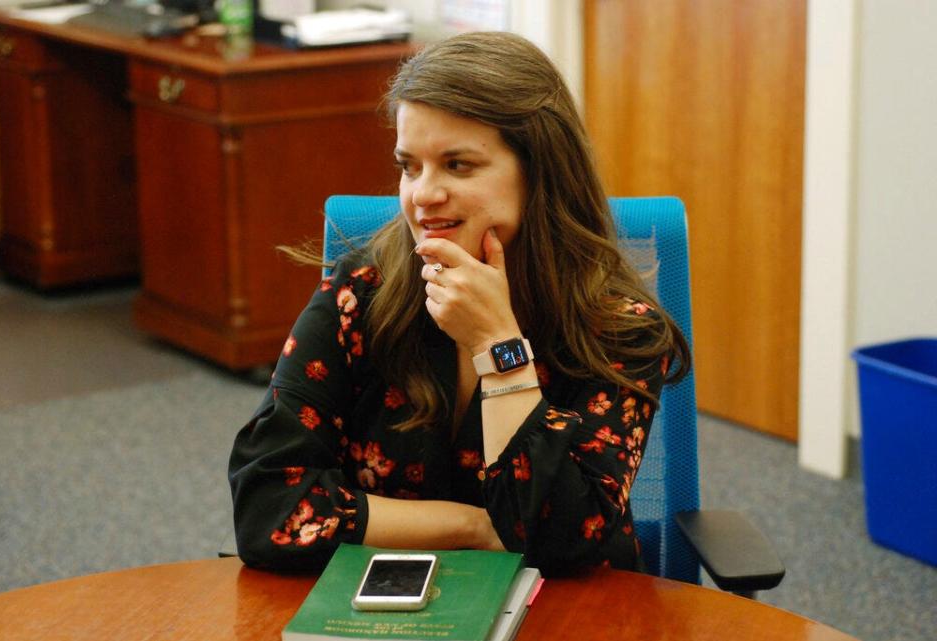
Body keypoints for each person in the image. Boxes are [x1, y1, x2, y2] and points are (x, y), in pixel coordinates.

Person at [229, 31, 691, 575]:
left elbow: (566, 542)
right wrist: (471, 526)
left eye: (458, 165)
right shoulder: (362, 294)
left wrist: (498, 349)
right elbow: (268, 508)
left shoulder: (618, 329)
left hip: (565, 618)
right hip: (384, 613)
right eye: (409, 166)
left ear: (539, 170)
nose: (423, 194)